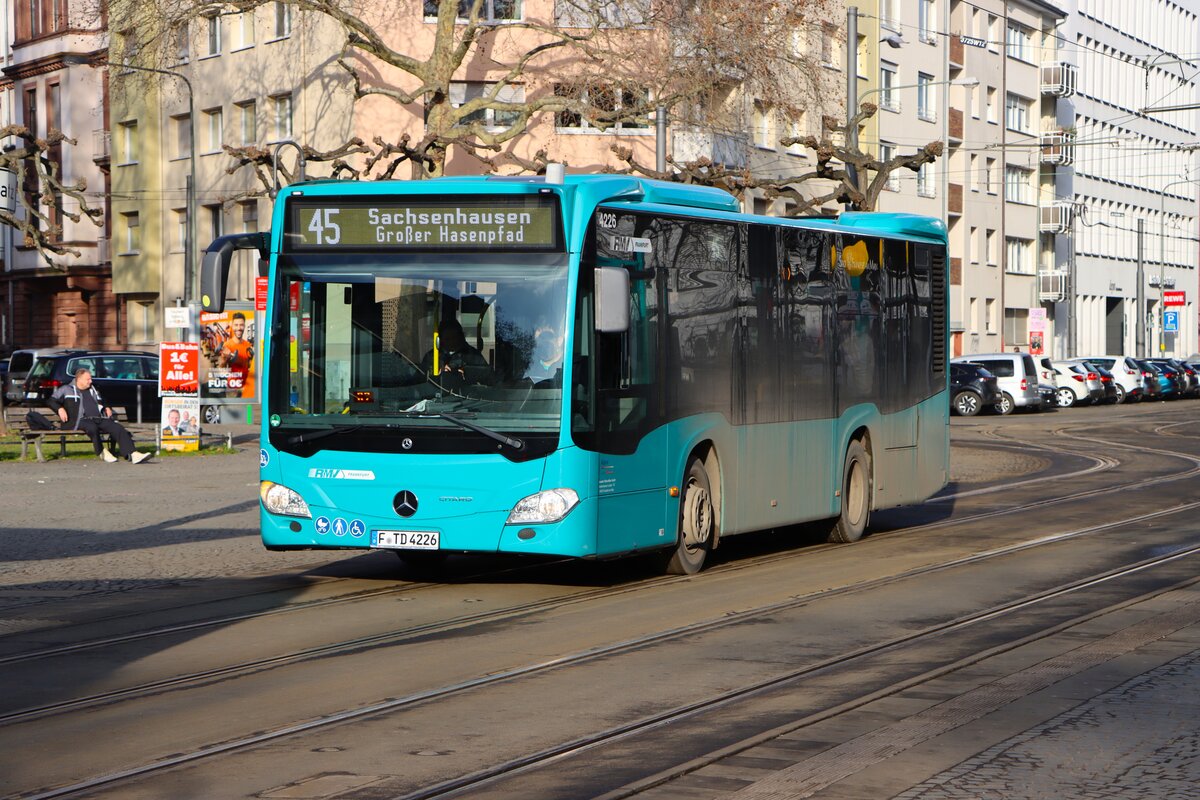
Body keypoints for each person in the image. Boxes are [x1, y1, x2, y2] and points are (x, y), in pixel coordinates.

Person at [48, 368, 151, 464]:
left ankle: (132, 454)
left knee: (117, 428)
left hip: (98, 418)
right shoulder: (66, 389)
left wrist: (106, 407)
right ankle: (102, 451)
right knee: (92, 427)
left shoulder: (93, 390)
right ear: (79, 379)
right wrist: (60, 409)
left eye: (91, 379)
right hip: (79, 420)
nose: (91, 381)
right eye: (88, 379)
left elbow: (103, 400)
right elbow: (51, 401)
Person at [420, 319, 492, 384]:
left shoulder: (473, 356)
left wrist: (466, 375)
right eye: (447, 339)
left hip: (467, 396)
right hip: (437, 396)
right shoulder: (432, 357)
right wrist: (438, 376)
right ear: (440, 340)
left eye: (454, 338)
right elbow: (422, 382)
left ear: (461, 337)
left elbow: (488, 380)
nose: (451, 342)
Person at [217, 312, 255, 397]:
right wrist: (224, 359)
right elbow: (220, 367)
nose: (239, 328)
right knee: (233, 408)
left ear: (244, 326)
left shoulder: (247, 345)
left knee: (248, 410)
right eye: (236, 325)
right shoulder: (227, 345)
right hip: (232, 386)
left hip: (246, 386)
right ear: (232, 326)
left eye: (241, 325)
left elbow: (249, 365)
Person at [523, 321, 565, 385]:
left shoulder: (570, 367)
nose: (542, 341)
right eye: (538, 338)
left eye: (547, 335)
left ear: (560, 340)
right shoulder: (529, 368)